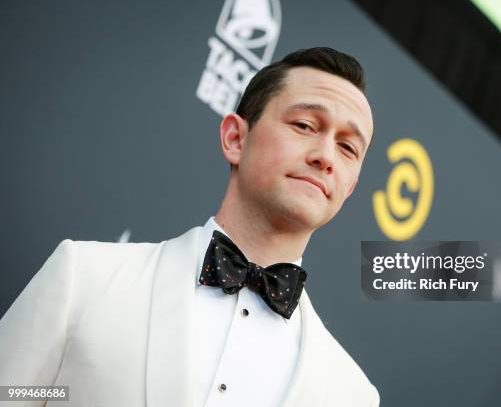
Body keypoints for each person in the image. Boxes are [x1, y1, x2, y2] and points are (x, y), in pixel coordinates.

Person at [0, 47, 379, 407]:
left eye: (348, 148)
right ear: (235, 138)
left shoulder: (350, 394)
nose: (326, 156)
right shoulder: (84, 276)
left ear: (349, 187)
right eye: (305, 125)